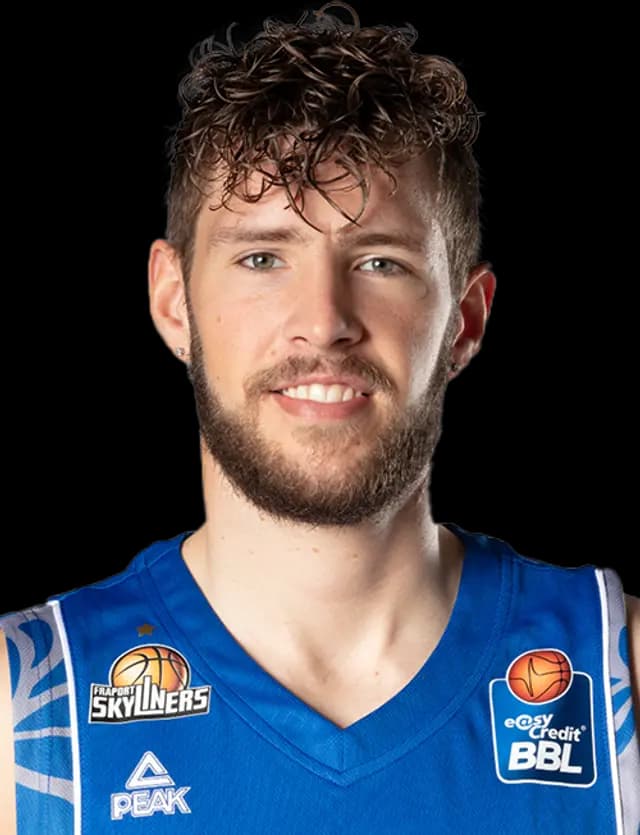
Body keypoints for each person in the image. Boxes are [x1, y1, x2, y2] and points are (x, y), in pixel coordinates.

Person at [1, 2, 638, 832]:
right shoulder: (26, 714)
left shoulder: (616, 673)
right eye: (262, 257)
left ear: (466, 319)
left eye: (379, 261)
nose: (324, 320)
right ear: (173, 302)